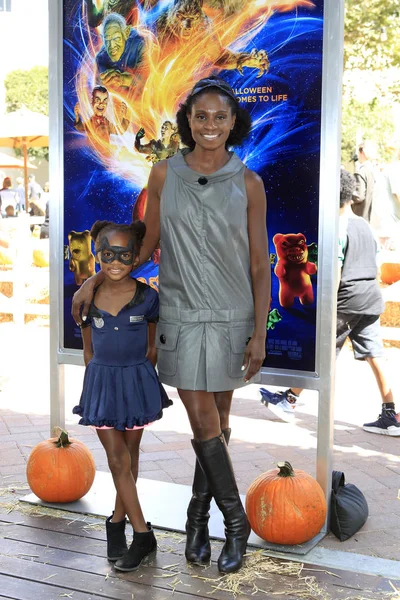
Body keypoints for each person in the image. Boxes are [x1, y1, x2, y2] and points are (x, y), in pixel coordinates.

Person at [72, 76, 270, 573]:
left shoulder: (249, 182)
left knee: (220, 423)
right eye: (200, 116)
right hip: (179, 311)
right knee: (202, 418)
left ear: (232, 123)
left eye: (219, 117)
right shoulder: (163, 175)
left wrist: (259, 333)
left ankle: (199, 517)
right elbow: (142, 247)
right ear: (187, 121)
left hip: (231, 315)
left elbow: (258, 264)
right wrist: (94, 282)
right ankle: (237, 523)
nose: (209, 125)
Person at [260, 169, 400, 436]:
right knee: (375, 355)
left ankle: (288, 400)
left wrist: (327, 306)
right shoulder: (364, 224)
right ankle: (390, 413)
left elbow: (334, 272)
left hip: (346, 300)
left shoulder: (336, 228)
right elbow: (378, 264)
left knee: (321, 350)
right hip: (370, 298)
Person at [73, 219, 172, 571]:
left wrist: (141, 375)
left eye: (124, 255)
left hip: (136, 384)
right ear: (98, 254)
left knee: (129, 455)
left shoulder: (148, 297)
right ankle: (142, 533)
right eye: (107, 254)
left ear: (136, 258)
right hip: (101, 386)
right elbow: (88, 350)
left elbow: (152, 347)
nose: (115, 262)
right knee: (116, 459)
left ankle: (116, 522)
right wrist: (95, 380)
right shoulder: (88, 298)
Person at [95, 13, 147, 95]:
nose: (111, 46)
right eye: (107, 40)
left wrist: (123, 79)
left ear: (126, 33)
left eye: (116, 38)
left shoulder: (140, 44)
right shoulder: (101, 58)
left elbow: (147, 82)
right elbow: (100, 91)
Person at [351, 141, 377, 223]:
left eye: (358, 150)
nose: (357, 154)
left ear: (363, 152)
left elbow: (358, 196)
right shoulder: (376, 171)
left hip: (361, 218)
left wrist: (347, 195)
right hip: (374, 219)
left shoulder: (361, 172)